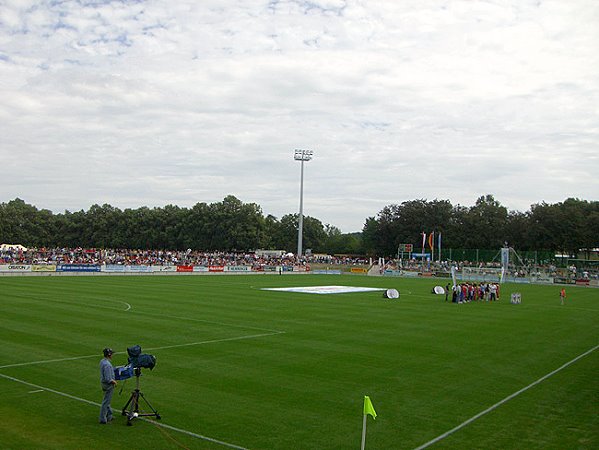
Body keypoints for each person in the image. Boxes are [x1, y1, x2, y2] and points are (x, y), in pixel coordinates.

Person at [99, 347, 117, 424]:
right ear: (109, 355)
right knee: (106, 402)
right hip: (108, 385)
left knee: (107, 400)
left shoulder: (102, 361)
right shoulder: (107, 365)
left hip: (103, 384)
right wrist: (114, 382)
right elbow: (108, 379)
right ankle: (103, 419)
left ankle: (109, 415)